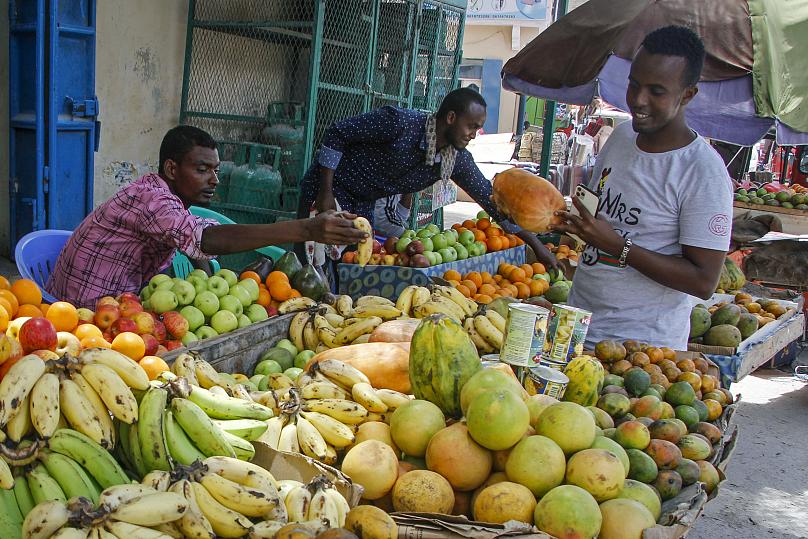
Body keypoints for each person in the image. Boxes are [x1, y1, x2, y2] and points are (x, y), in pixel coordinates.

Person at [47, 126, 366, 308]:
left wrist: (207, 283)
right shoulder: (152, 201)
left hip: (121, 302)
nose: (214, 180)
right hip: (80, 314)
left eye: (216, 170)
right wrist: (308, 228)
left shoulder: (170, 203)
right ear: (172, 168)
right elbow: (203, 238)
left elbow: (191, 241)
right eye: (202, 170)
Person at [553, 26, 733, 350]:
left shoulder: (702, 171)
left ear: (687, 95)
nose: (638, 100)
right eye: (634, 84)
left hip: (641, 353)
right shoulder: (621, 138)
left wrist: (618, 246)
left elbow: (704, 281)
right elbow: (596, 211)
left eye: (656, 91)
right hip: (577, 332)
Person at [299, 88, 556, 267]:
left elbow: (492, 202)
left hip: (362, 206)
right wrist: (325, 193)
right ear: (451, 118)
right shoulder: (400, 123)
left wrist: (537, 245)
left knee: (348, 266)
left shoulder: (456, 159)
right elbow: (338, 134)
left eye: (478, 128)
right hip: (329, 189)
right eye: (471, 126)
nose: (474, 135)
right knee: (309, 264)